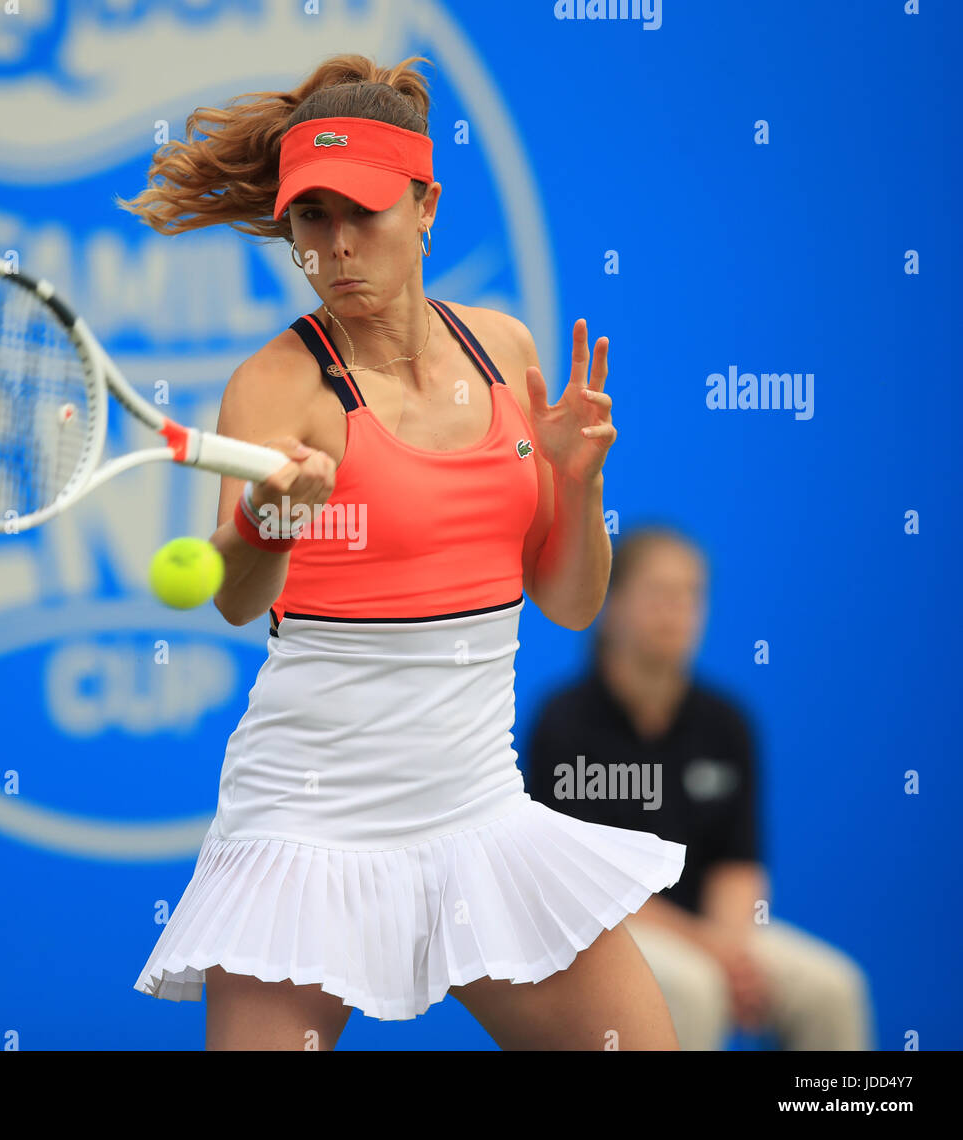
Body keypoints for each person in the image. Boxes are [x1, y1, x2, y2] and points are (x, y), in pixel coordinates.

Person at [117, 53, 686, 1051]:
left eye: (363, 213)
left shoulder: (505, 351)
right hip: (304, 831)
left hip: (477, 816)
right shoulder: (276, 386)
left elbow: (568, 600)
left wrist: (580, 482)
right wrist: (271, 517)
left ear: (424, 205)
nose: (334, 247)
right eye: (311, 219)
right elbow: (236, 601)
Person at [525, 525, 875, 1050]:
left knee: (833, 989)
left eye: (692, 593)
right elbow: (583, 886)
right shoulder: (563, 724)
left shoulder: (727, 724)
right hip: (601, 934)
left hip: (710, 932)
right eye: (661, 593)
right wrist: (711, 952)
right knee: (694, 987)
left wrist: (732, 949)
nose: (679, 610)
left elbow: (738, 866)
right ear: (611, 604)